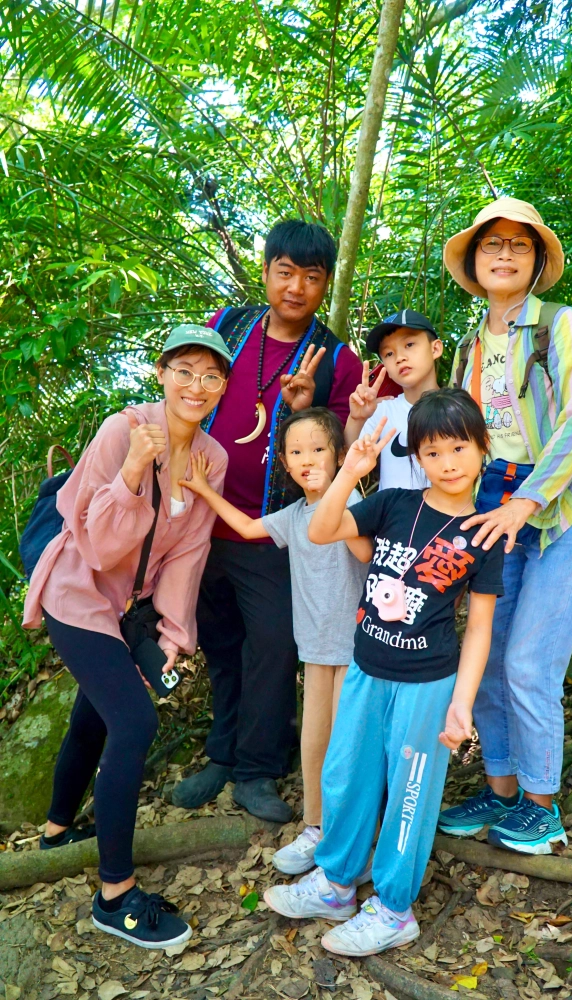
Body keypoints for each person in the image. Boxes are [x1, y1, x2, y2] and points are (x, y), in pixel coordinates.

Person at [264, 389, 505, 956]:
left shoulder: (484, 531)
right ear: (416, 457)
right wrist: (349, 470)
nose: (447, 462)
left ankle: (395, 909)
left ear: (481, 448)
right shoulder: (396, 502)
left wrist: (462, 704)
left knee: (410, 796)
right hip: (367, 668)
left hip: (428, 684)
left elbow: (479, 627)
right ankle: (335, 884)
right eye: (432, 451)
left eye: (459, 448)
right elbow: (322, 530)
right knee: (346, 775)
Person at [22, 325, 231, 948]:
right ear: (161, 373)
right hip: (76, 590)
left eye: (211, 376)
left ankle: (59, 830)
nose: (197, 386)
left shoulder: (211, 459)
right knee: (135, 722)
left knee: (97, 710)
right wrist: (137, 472)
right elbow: (96, 540)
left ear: (223, 387)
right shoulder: (123, 430)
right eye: (185, 371)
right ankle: (114, 895)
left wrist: (172, 631)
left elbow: (191, 550)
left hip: (126, 606)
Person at [173, 220, 362, 823]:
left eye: (312, 277)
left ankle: (258, 768)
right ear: (266, 271)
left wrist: (309, 409)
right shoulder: (226, 325)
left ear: (326, 284)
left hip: (275, 531)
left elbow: (344, 451)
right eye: (286, 272)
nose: (297, 287)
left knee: (275, 646)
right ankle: (224, 755)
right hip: (201, 523)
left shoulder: (337, 360)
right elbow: (185, 390)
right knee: (222, 644)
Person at [437, 197, 572, 854]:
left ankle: (542, 804)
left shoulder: (562, 326)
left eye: (518, 245)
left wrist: (526, 502)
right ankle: (501, 788)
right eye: (491, 245)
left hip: (564, 507)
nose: (504, 255)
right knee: (487, 649)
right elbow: (464, 439)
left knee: (530, 660)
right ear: (475, 262)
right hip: (492, 507)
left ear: (536, 262)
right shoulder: (472, 344)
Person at [178, 407, 371, 875]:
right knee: (314, 741)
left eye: (319, 449)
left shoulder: (354, 507)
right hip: (314, 650)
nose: (307, 459)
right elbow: (246, 528)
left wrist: (348, 481)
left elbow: (366, 551)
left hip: (354, 651)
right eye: (296, 452)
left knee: (351, 745)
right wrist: (204, 490)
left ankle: (356, 841)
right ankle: (316, 826)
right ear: (284, 462)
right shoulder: (292, 515)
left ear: (339, 455)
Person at [344, 309, 442, 491]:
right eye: (389, 354)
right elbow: (350, 456)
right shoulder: (382, 411)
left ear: (435, 348)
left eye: (409, 344)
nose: (399, 358)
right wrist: (356, 418)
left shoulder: (458, 407)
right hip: (390, 517)